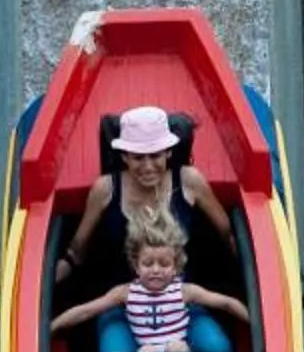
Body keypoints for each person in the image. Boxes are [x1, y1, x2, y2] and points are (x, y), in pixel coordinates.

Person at [53, 104, 234, 305]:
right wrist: (52, 279)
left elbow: (226, 236)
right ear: (124, 156)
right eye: (138, 157)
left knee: (214, 339)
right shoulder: (105, 189)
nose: (148, 167)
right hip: (119, 302)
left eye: (155, 155)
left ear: (168, 153)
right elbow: (77, 251)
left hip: (183, 298)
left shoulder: (190, 181)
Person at [50, 205, 248, 352]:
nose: (156, 270)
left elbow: (227, 303)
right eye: (148, 264)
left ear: (176, 267)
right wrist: (53, 327)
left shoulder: (185, 291)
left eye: (164, 264)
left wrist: (256, 323)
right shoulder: (126, 293)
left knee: (178, 350)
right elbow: (86, 310)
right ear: (136, 265)